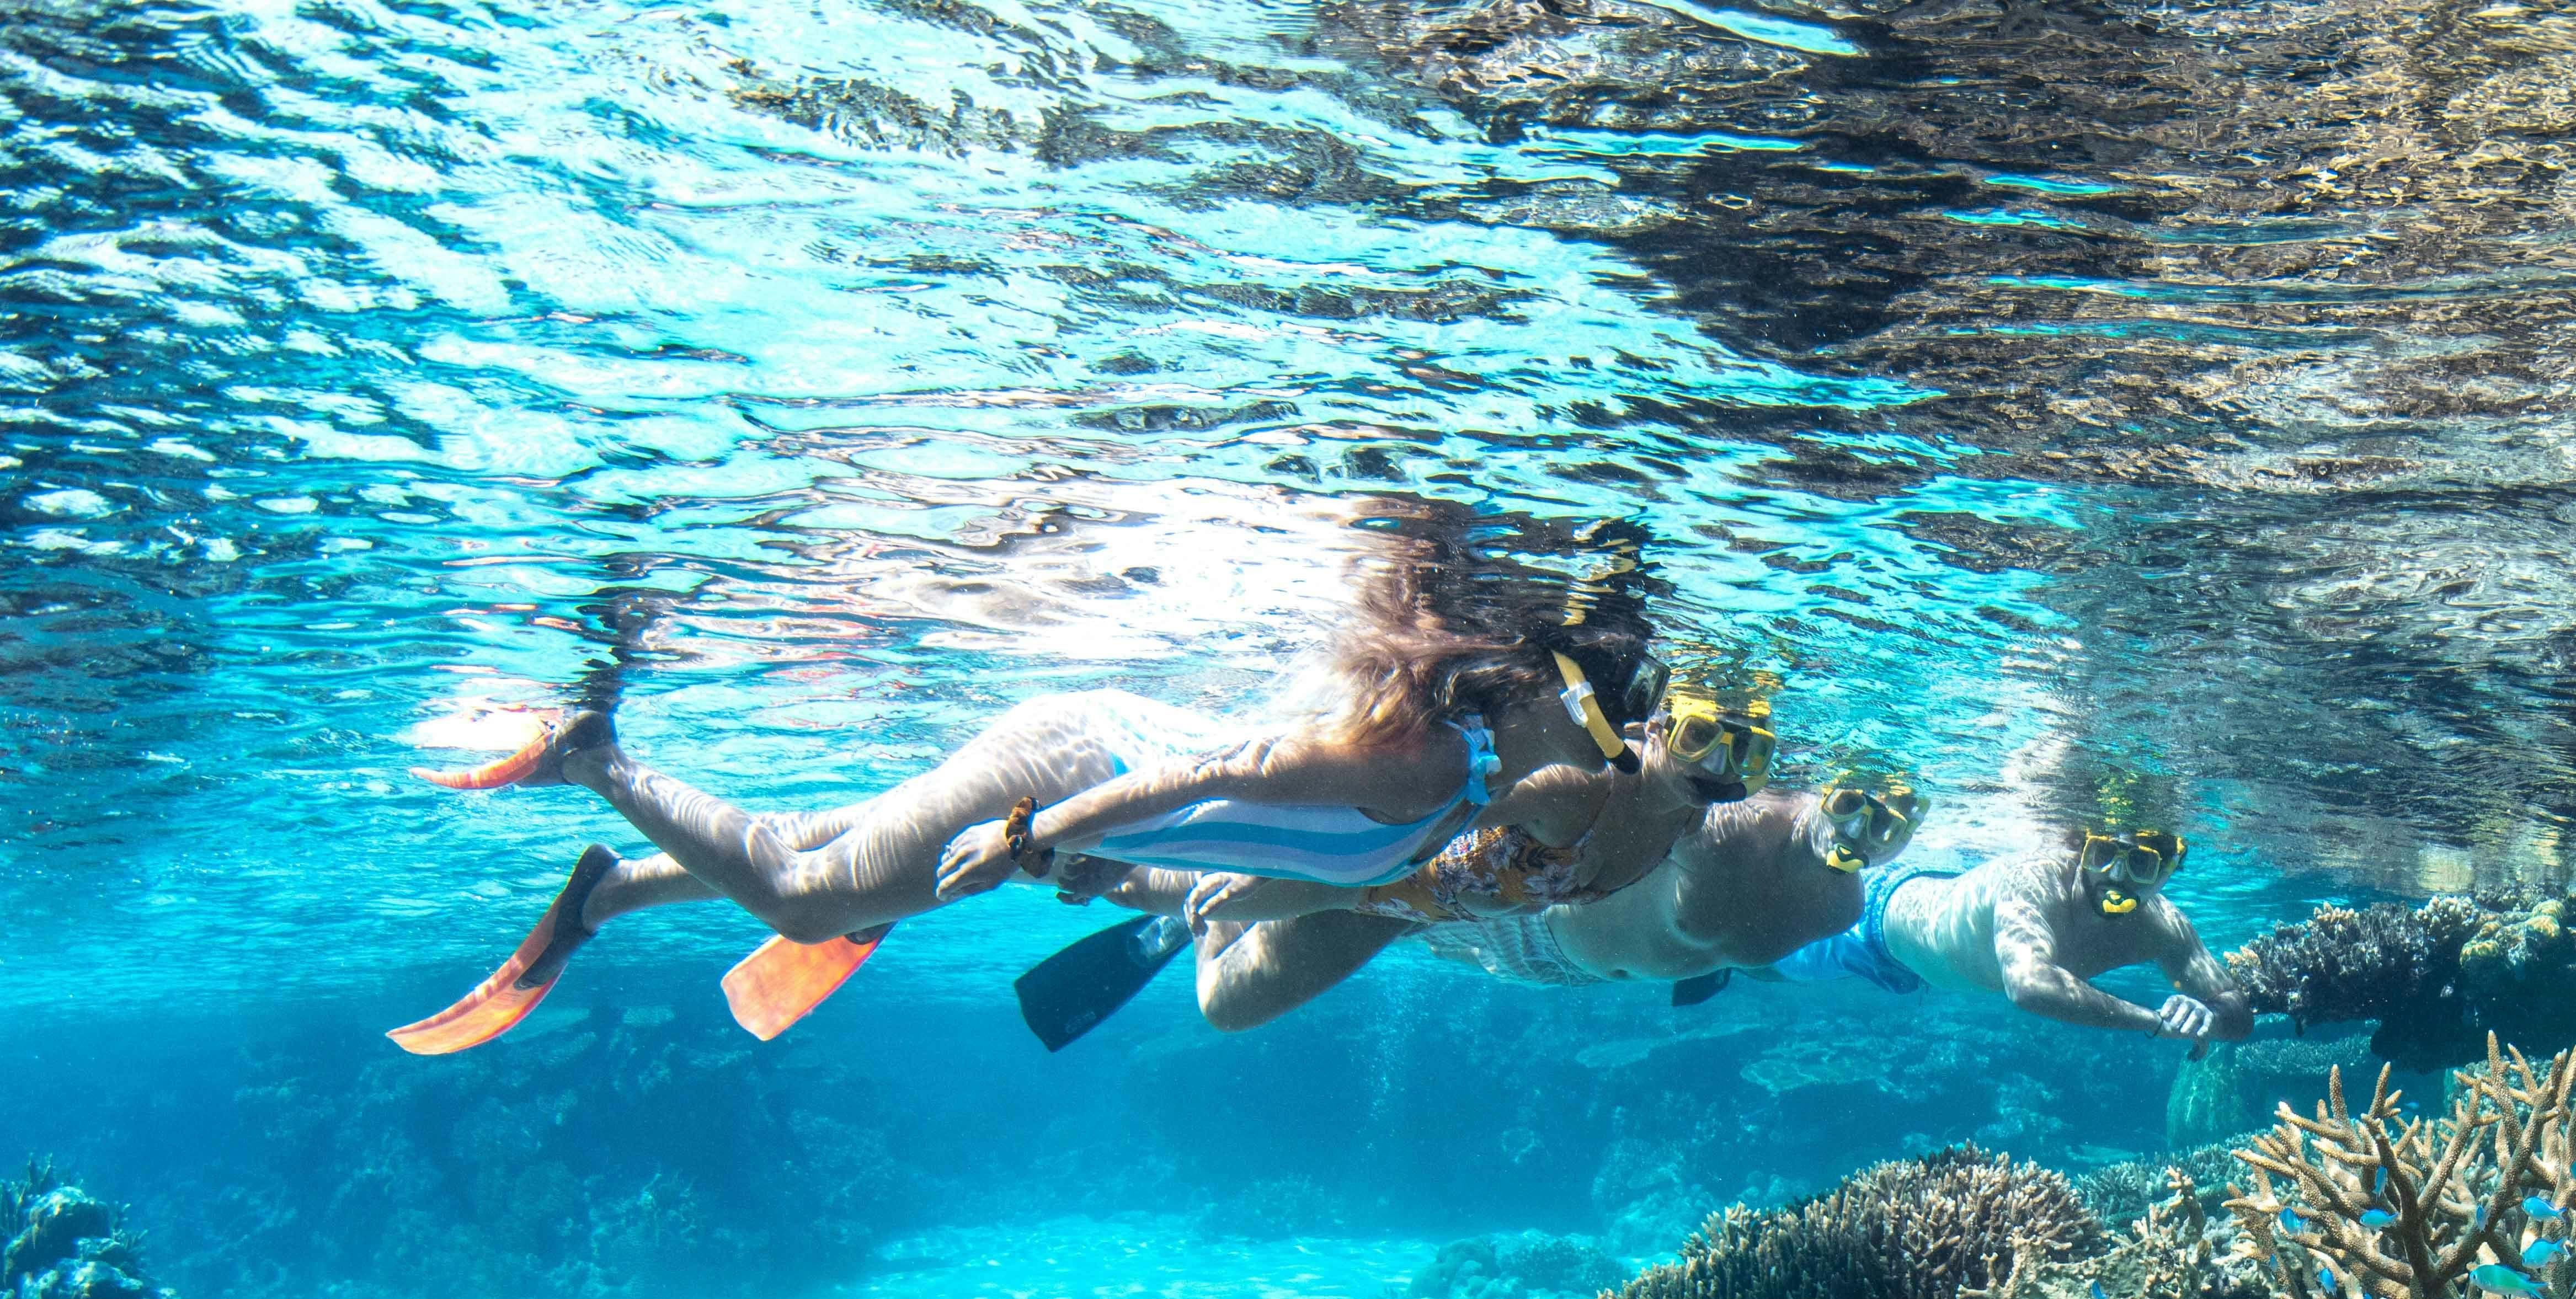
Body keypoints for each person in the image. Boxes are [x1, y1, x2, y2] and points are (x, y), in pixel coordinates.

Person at [396, 505, 1714, 1052]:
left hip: (1100, 791)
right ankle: (593, 755)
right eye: (1608, 731)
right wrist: (1045, 830)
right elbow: (1233, 767)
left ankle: (613, 894)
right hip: (1073, 756)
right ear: (1544, 687)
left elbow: (1278, 851)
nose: (1606, 766)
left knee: (856, 858)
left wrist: (1132, 875)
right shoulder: (1427, 754)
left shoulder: (1474, 798)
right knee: (807, 893)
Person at [1048, 758, 1920, 1034]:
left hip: (1546, 967)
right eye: (1853, 800)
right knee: (1224, 1003)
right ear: (1819, 780)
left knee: (1265, 967)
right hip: (1480, 909)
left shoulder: (1842, 907)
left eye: (1895, 821)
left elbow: (1734, 944)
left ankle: (1189, 880)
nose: (1865, 831)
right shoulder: (1725, 817)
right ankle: (1147, 871)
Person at [1770, 822, 2252, 1041]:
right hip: (1869, 924)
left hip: (1919, 970)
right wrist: (2152, 1020)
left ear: (2167, 872)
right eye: (2103, 855)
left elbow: (2237, 1010)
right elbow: (2028, 986)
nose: (2116, 877)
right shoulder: (2036, 880)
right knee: (1753, 961)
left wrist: (2209, 1015)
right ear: (2082, 849)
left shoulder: (2164, 926)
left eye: (2142, 865)